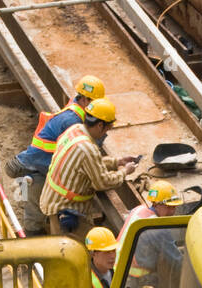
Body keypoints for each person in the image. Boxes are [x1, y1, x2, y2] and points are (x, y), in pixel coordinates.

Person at [4, 75, 106, 233]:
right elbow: (84, 149)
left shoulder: (76, 107)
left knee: (35, 195)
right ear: (85, 100)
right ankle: (32, 239)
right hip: (36, 167)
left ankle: (25, 197)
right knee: (34, 206)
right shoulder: (73, 120)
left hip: (37, 161)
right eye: (95, 103)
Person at [39, 98, 138, 237]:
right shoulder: (87, 148)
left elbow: (86, 164)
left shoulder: (74, 130)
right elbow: (102, 182)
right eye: (107, 129)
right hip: (66, 211)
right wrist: (124, 171)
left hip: (53, 200)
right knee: (76, 253)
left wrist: (117, 162)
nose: (106, 133)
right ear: (99, 125)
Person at [116, 179, 185, 248]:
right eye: (168, 207)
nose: (172, 211)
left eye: (174, 207)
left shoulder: (137, 209)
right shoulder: (158, 229)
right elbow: (176, 258)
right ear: (155, 204)